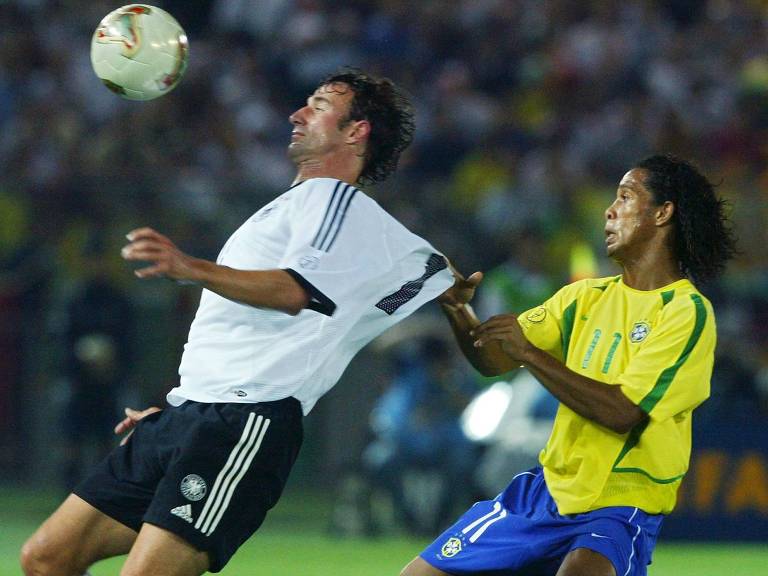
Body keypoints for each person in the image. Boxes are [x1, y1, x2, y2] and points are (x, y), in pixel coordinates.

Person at [21, 69, 453, 576]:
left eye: (317, 105)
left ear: (356, 132)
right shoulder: (288, 207)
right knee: (46, 557)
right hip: (192, 413)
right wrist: (184, 402)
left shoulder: (334, 203)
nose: (297, 114)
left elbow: (295, 293)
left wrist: (189, 267)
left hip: (245, 421)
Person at [401, 154, 737, 576]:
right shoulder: (584, 298)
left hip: (618, 503)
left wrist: (530, 353)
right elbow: (492, 358)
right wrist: (457, 310)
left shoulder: (684, 311)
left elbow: (622, 412)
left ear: (663, 213)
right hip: (544, 492)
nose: (609, 210)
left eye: (625, 196)